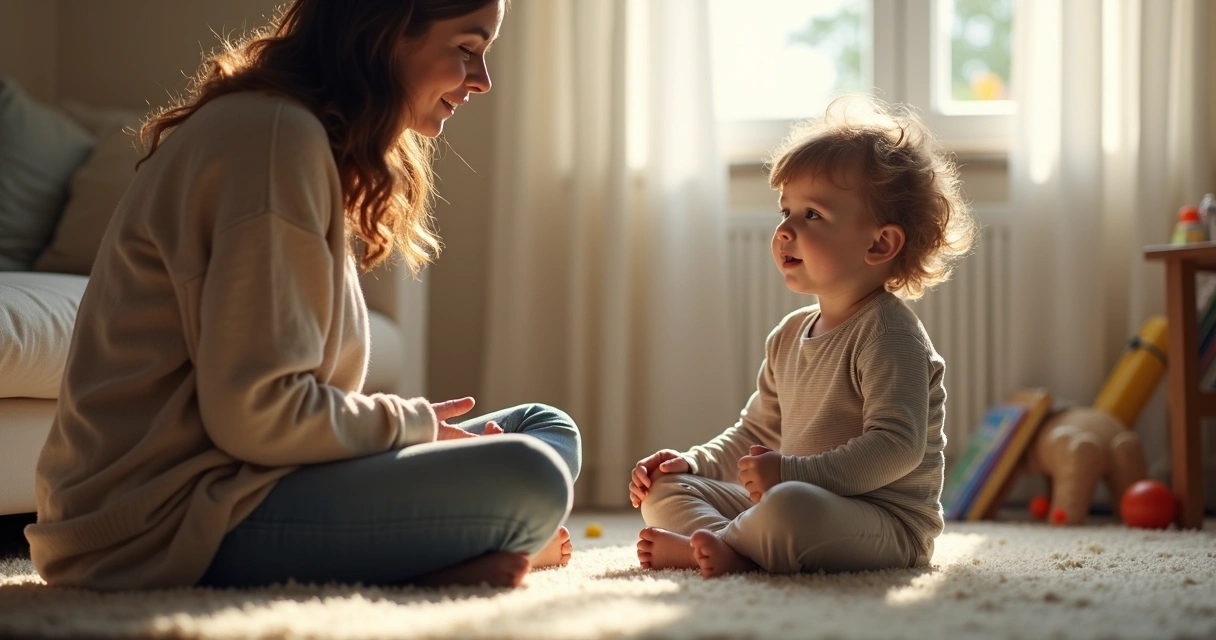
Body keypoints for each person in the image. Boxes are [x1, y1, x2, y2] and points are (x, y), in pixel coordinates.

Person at [26, 0, 581, 591]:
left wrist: (405, 434)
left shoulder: (294, 131)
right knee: (532, 474)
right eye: (467, 49)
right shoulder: (274, 139)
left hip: (246, 477)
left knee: (543, 426)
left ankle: (468, 545)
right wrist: (410, 424)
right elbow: (258, 414)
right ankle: (460, 552)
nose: (483, 80)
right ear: (383, 31)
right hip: (163, 517)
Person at [628, 95, 976, 578]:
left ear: (880, 243)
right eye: (785, 210)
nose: (785, 230)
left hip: (883, 524)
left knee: (790, 508)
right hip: (791, 496)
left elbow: (897, 447)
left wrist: (791, 474)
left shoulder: (890, 334)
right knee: (664, 493)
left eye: (811, 214)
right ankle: (734, 546)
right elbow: (755, 435)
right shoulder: (789, 334)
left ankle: (723, 545)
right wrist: (691, 464)